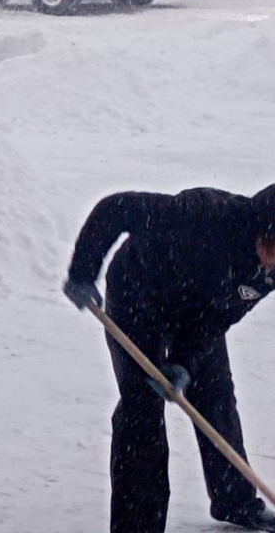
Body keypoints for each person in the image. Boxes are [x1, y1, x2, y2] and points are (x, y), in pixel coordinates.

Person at [63, 184, 275, 533]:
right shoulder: (201, 215)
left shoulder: (270, 268)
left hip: (198, 314)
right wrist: (83, 272)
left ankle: (234, 501)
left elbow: (222, 315)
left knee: (216, 395)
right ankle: (138, 525)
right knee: (141, 410)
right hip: (139, 299)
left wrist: (184, 361)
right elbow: (115, 208)